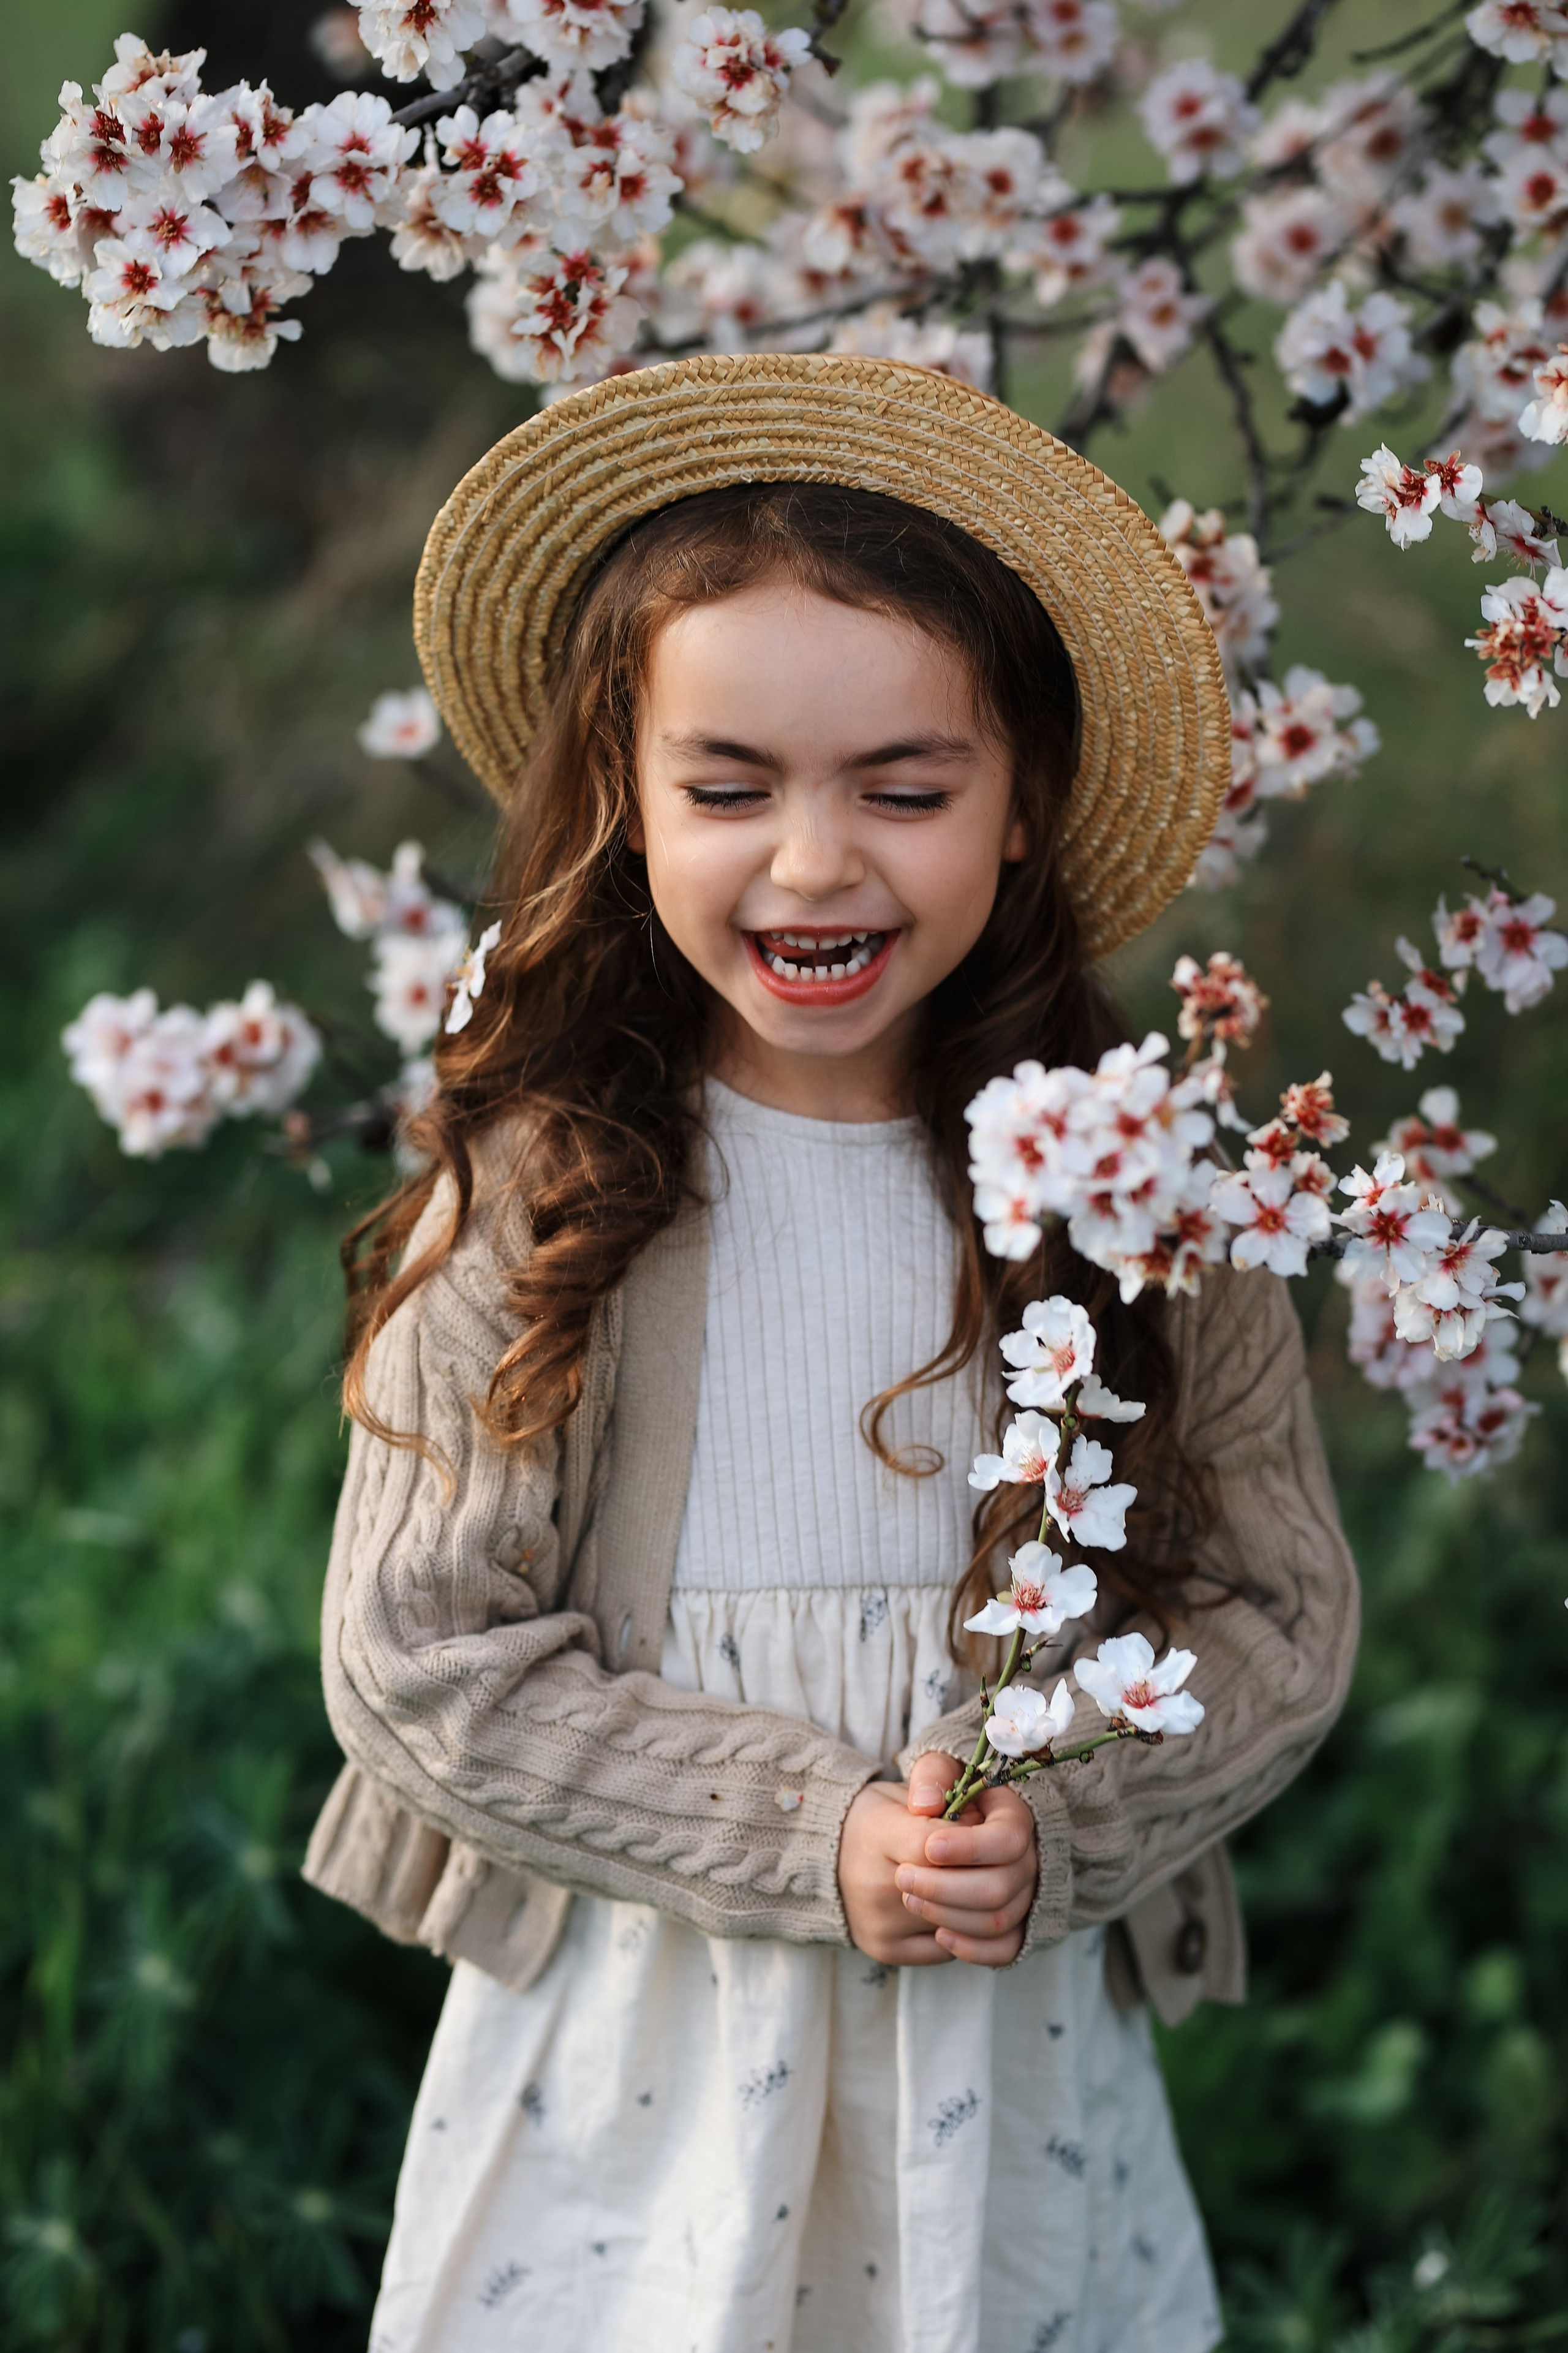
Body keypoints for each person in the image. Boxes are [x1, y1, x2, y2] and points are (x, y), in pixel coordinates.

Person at [303, 354, 1359, 2353]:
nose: (811, 862)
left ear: (1023, 804)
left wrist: (1062, 1818)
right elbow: (417, 1649)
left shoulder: (1139, 1184)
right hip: (643, 2030)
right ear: (622, 800)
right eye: (727, 788)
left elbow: (1271, 1609)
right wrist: (809, 1834)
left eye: (904, 786)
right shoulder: (549, 1182)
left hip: (1000, 2015)